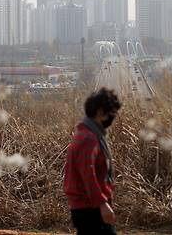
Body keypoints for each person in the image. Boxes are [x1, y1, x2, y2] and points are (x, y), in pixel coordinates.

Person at [63, 87, 122, 235]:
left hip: (88, 206)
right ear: (100, 112)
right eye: (112, 113)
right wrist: (102, 204)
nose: (112, 118)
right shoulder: (88, 139)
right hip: (89, 208)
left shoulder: (87, 134)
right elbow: (88, 175)